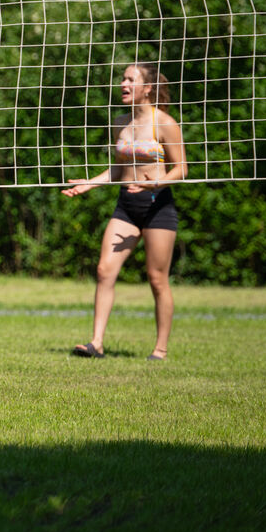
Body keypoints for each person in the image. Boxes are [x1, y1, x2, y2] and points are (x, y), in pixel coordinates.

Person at [62, 63, 187, 360]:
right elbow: (118, 169)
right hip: (126, 207)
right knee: (104, 270)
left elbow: (181, 168)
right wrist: (89, 184)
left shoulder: (164, 123)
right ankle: (96, 343)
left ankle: (160, 349)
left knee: (157, 279)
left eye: (132, 79)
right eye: (123, 78)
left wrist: (157, 181)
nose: (124, 84)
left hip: (158, 206)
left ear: (148, 89)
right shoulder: (120, 122)